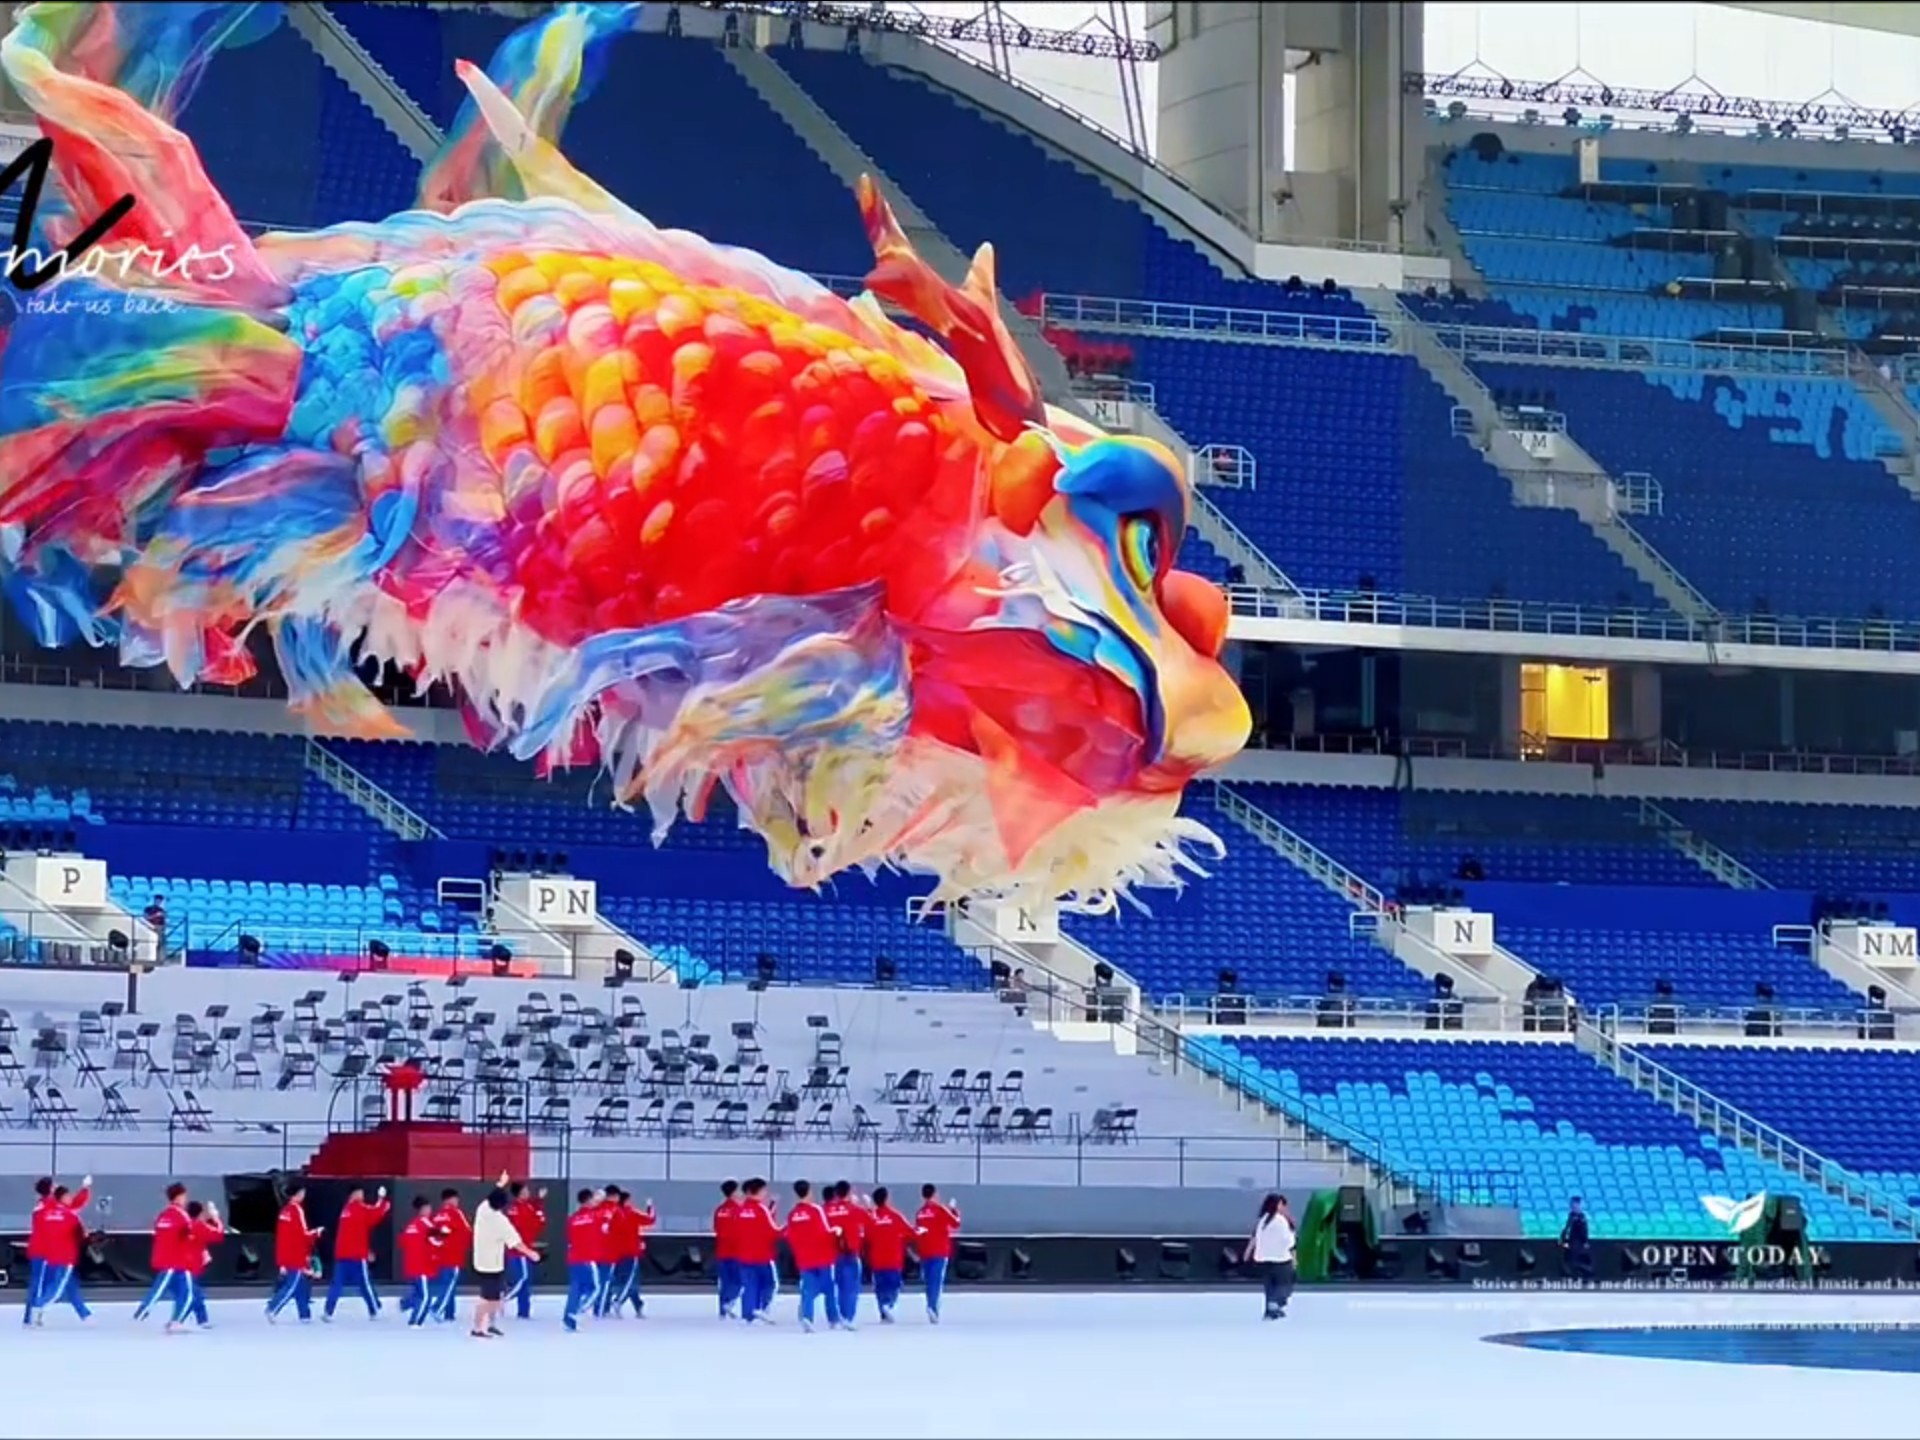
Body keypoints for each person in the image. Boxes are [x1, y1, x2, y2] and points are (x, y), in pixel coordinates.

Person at [470, 1186, 540, 1339]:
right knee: (486, 1297)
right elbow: (516, 1243)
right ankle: (477, 1328)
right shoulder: (501, 1221)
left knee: (495, 1296)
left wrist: (500, 1184)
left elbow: (491, 1195)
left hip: (482, 1260)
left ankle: (491, 1324)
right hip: (491, 1263)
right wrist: (531, 1253)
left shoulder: (482, 1209)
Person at [25, 1176, 93, 1326]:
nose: (57, 1186)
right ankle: (31, 1316)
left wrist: (85, 1189)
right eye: (54, 1185)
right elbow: (72, 1207)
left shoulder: (50, 1205)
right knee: (43, 1284)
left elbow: (73, 1204)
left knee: (66, 1281)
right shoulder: (46, 1206)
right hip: (43, 1251)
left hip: (51, 1251)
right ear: (50, 1190)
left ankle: (84, 1313)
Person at [133, 1183, 196, 1332]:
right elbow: (191, 1235)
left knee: (171, 1290)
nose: (186, 1199)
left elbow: (160, 1234)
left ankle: (172, 1320)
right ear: (179, 1196)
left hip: (165, 1259)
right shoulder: (182, 1215)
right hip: (178, 1260)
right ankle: (145, 1315)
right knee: (184, 1293)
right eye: (185, 1196)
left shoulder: (163, 1215)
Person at [324, 1183, 389, 1321]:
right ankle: (374, 1308)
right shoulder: (360, 1208)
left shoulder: (345, 1210)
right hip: (356, 1254)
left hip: (342, 1254)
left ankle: (328, 1312)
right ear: (354, 1194)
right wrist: (382, 1200)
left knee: (337, 1284)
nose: (362, 1196)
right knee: (364, 1283)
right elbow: (375, 1213)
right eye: (360, 1193)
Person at [784, 1179, 843, 1332]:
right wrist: (837, 1231)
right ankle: (834, 1319)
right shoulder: (816, 1210)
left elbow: (790, 1236)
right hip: (822, 1256)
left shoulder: (792, 1214)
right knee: (829, 1289)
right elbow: (824, 1231)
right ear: (809, 1191)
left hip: (804, 1257)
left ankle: (807, 1317)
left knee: (808, 1289)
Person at [267, 1181, 324, 1323]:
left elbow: (282, 1237)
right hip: (296, 1255)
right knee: (292, 1286)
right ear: (298, 1194)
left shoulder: (284, 1211)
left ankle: (305, 1314)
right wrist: (316, 1233)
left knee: (301, 1285)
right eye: (303, 1192)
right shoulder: (297, 1210)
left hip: (287, 1254)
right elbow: (302, 1235)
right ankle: (273, 1308)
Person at [562, 1186, 609, 1333]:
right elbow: (607, 1216)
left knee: (576, 1289)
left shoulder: (572, 1219)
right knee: (595, 1288)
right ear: (589, 1200)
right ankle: (576, 1312)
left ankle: (568, 1320)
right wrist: (601, 1199)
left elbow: (569, 1237)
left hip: (574, 1258)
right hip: (588, 1258)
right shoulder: (596, 1216)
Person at [734, 1177, 780, 1324]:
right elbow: (773, 1230)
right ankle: (763, 1309)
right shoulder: (761, 1209)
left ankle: (748, 1314)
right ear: (759, 1191)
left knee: (749, 1285)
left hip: (744, 1254)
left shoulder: (740, 1210)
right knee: (771, 1284)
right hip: (762, 1255)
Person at [914, 1183, 961, 1324]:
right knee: (937, 1281)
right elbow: (956, 1223)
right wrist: (953, 1210)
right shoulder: (940, 1209)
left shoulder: (920, 1213)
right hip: (939, 1250)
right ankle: (933, 1307)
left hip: (925, 1251)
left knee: (929, 1281)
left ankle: (931, 1304)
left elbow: (918, 1232)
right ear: (934, 1194)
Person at [825, 1180, 868, 1328]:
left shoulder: (826, 1210)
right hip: (851, 1253)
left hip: (832, 1254)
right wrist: (867, 1205)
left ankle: (834, 1317)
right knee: (851, 1287)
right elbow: (871, 1220)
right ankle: (847, 1316)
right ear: (849, 1193)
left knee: (836, 1285)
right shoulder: (855, 1209)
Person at [865, 1185, 911, 1324]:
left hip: (877, 1259)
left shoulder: (871, 1218)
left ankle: (883, 1312)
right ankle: (889, 1305)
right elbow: (910, 1231)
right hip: (893, 1258)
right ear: (886, 1199)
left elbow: (867, 1237)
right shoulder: (895, 1215)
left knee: (880, 1287)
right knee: (894, 1285)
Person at [1246, 1192, 1296, 1320]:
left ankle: (1270, 1309)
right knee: (1284, 1284)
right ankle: (1275, 1304)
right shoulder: (1280, 1221)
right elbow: (1288, 1241)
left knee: (1270, 1285)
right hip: (1280, 1258)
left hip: (1263, 1258)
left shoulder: (1263, 1220)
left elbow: (1256, 1238)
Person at [400, 1196, 446, 1326]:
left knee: (419, 1294)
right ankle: (416, 1322)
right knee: (425, 1297)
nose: (430, 1210)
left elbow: (403, 1242)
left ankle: (406, 1304)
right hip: (422, 1267)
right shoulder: (427, 1224)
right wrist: (444, 1234)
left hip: (411, 1266)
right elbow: (437, 1241)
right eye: (428, 1207)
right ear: (423, 1209)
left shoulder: (411, 1225)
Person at [504, 1181, 547, 1321]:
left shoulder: (520, 1207)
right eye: (526, 1190)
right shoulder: (520, 1209)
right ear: (520, 1193)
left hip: (523, 1249)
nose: (529, 1193)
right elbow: (536, 1223)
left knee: (525, 1281)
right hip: (520, 1250)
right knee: (523, 1278)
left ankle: (524, 1311)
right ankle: (502, 1299)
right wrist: (539, 1213)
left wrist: (539, 1201)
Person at [429, 1187, 471, 1323]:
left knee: (446, 1283)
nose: (458, 1201)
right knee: (450, 1285)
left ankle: (449, 1313)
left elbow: (431, 1236)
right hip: (454, 1255)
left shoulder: (436, 1215)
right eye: (456, 1198)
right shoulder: (456, 1213)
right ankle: (437, 1308)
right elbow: (467, 1231)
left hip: (440, 1256)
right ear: (450, 1199)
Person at [181, 1200, 224, 1329]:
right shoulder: (199, 1226)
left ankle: (181, 1318)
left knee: (190, 1292)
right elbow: (218, 1234)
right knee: (195, 1293)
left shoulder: (185, 1224)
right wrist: (216, 1218)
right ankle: (196, 1319)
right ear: (200, 1213)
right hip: (193, 1265)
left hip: (181, 1263)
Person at [712, 1178, 743, 1319]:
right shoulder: (738, 1210)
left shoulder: (719, 1210)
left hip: (722, 1251)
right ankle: (729, 1302)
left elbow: (716, 1228)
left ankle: (722, 1310)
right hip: (736, 1251)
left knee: (725, 1282)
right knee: (738, 1281)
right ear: (734, 1192)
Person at [1561, 1195, 1593, 1283]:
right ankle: (1570, 1277)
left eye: (1574, 1204)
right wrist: (1563, 1239)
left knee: (1577, 1260)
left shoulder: (1581, 1217)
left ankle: (1579, 1277)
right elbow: (1567, 1228)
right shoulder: (1571, 1215)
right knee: (1569, 1260)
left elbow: (1584, 1230)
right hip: (1571, 1241)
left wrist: (1585, 1241)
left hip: (1578, 1242)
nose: (1572, 1206)